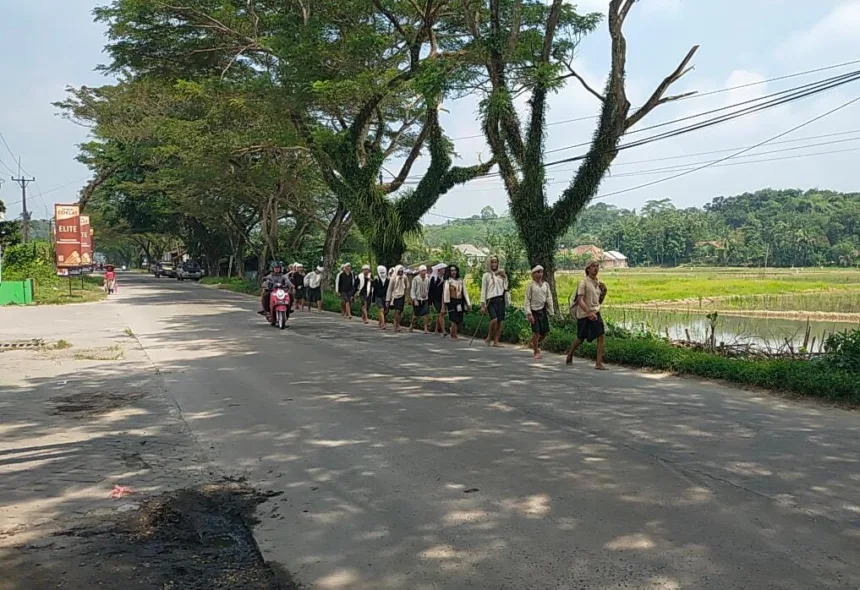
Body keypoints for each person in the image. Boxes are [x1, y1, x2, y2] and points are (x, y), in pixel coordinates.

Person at [565, 261, 608, 370]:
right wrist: (588, 312)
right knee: (580, 338)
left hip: (595, 313)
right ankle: (570, 353)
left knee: (600, 336)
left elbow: (598, 301)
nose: (596, 268)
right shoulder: (583, 283)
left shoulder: (598, 283)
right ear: (588, 269)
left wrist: (604, 292)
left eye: (597, 266)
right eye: (593, 266)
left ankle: (598, 363)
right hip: (584, 314)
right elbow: (580, 300)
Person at [524, 265, 554, 359]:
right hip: (534, 311)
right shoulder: (531, 285)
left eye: (541, 272)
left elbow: (549, 298)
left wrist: (551, 311)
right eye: (537, 272)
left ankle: (534, 343)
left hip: (542, 310)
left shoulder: (546, 285)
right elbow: (527, 300)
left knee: (545, 332)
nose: (539, 274)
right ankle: (536, 351)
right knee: (536, 332)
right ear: (533, 274)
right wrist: (529, 314)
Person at [480, 255, 508, 347]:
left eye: (495, 262)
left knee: (500, 321)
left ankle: (496, 341)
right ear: (489, 263)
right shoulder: (486, 275)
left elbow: (505, 287)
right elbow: (483, 290)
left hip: (500, 298)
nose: (494, 264)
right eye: (492, 262)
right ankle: (489, 336)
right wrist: (483, 305)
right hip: (491, 299)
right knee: (494, 319)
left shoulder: (501, 274)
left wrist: (505, 277)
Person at [443, 264, 470, 340]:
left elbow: (465, 292)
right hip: (451, 301)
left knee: (459, 319)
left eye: (454, 270)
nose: (453, 272)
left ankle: (453, 331)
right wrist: (444, 306)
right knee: (453, 318)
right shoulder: (447, 281)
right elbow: (445, 294)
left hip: (460, 301)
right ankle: (454, 335)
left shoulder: (460, 280)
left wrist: (468, 303)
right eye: (451, 270)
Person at [409, 265, 431, 333]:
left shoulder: (428, 279)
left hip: (425, 299)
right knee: (415, 315)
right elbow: (413, 289)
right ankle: (412, 325)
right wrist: (414, 299)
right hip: (417, 299)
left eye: (425, 270)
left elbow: (428, 288)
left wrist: (427, 294)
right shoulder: (415, 279)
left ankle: (425, 328)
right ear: (419, 272)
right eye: (422, 271)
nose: (424, 272)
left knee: (426, 313)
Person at [386, 265, 408, 332]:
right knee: (397, 310)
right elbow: (390, 289)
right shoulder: (393, 278)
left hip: (402, 295)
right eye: (399, 271)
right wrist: (388, 300)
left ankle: (397, 322)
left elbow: (407, 285)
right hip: (395, 296)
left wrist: (407, 296)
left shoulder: (404, 277)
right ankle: (397, 325)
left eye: (402, 271)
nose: (401, 272)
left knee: (399, 311)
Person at [429, 264, 447, 335]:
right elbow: (430, 291)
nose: (444, 270)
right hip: (435, 299)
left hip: (441, 299)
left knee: (440, 314)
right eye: (443, 269)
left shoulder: (443, 278)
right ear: (439, 270)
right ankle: (443, 331)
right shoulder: (434, 278)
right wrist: (430, 302)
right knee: (441, 313)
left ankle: (436, 330)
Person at [372, 265, 390, 329]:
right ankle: (383, 324)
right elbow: (374, 290)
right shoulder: (376, 280)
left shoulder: (388, 280)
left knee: (386, 311)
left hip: (386, 297)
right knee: (381, 309)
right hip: (378, 297)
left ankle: (380, 322)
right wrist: (373, 300)